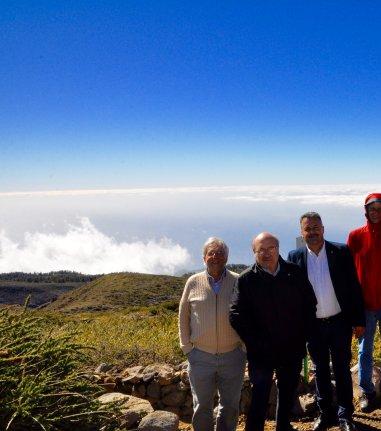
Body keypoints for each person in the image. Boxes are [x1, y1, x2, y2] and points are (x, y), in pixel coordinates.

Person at [230, 232, 316, 431]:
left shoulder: (294, 273)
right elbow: (235, 314)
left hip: (291, 348)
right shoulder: (246, 279)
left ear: (278, 249)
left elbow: (310, 304)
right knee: (259, 395)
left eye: (271, 248)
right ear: (254, 253)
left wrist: (302, 336)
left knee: (287, 394)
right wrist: (254, 342)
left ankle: (283, 427)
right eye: (261, 250)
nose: (267, 253)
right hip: (261, 352)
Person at [288, 212, 365, 431]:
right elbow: (293, 294)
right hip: (313, 325)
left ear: (323, 229)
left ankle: (345, 416)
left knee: (341, 369)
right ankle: (326, 414)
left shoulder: (340, 251)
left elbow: (353, 287)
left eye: (315, 227)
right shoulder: (295, 257)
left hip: (339, 322)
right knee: (319, 369)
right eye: (307, 229)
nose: (312, 232)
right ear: (302, 232)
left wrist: (358, 320)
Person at [178, 237, 246, 431]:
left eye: (220, 253)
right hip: (200, 356)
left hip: (233, 355)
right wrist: (186, 347)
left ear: (226, 257)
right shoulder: (193, 282)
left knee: (230, 406)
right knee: (201, 406)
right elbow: (183, 315)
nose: (215, 257)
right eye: (211, 253)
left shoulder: (237, 281)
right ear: (204, 257)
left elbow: (248, 313)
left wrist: (243, 347)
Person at [348, 193, 381, 412]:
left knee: (366, 351)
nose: (376, 212)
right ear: (366, 211)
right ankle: (367, 393)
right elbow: (348, 273)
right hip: (365, 305)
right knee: (364, 351)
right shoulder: (356, 236)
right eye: (372, 208)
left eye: (379, 208)